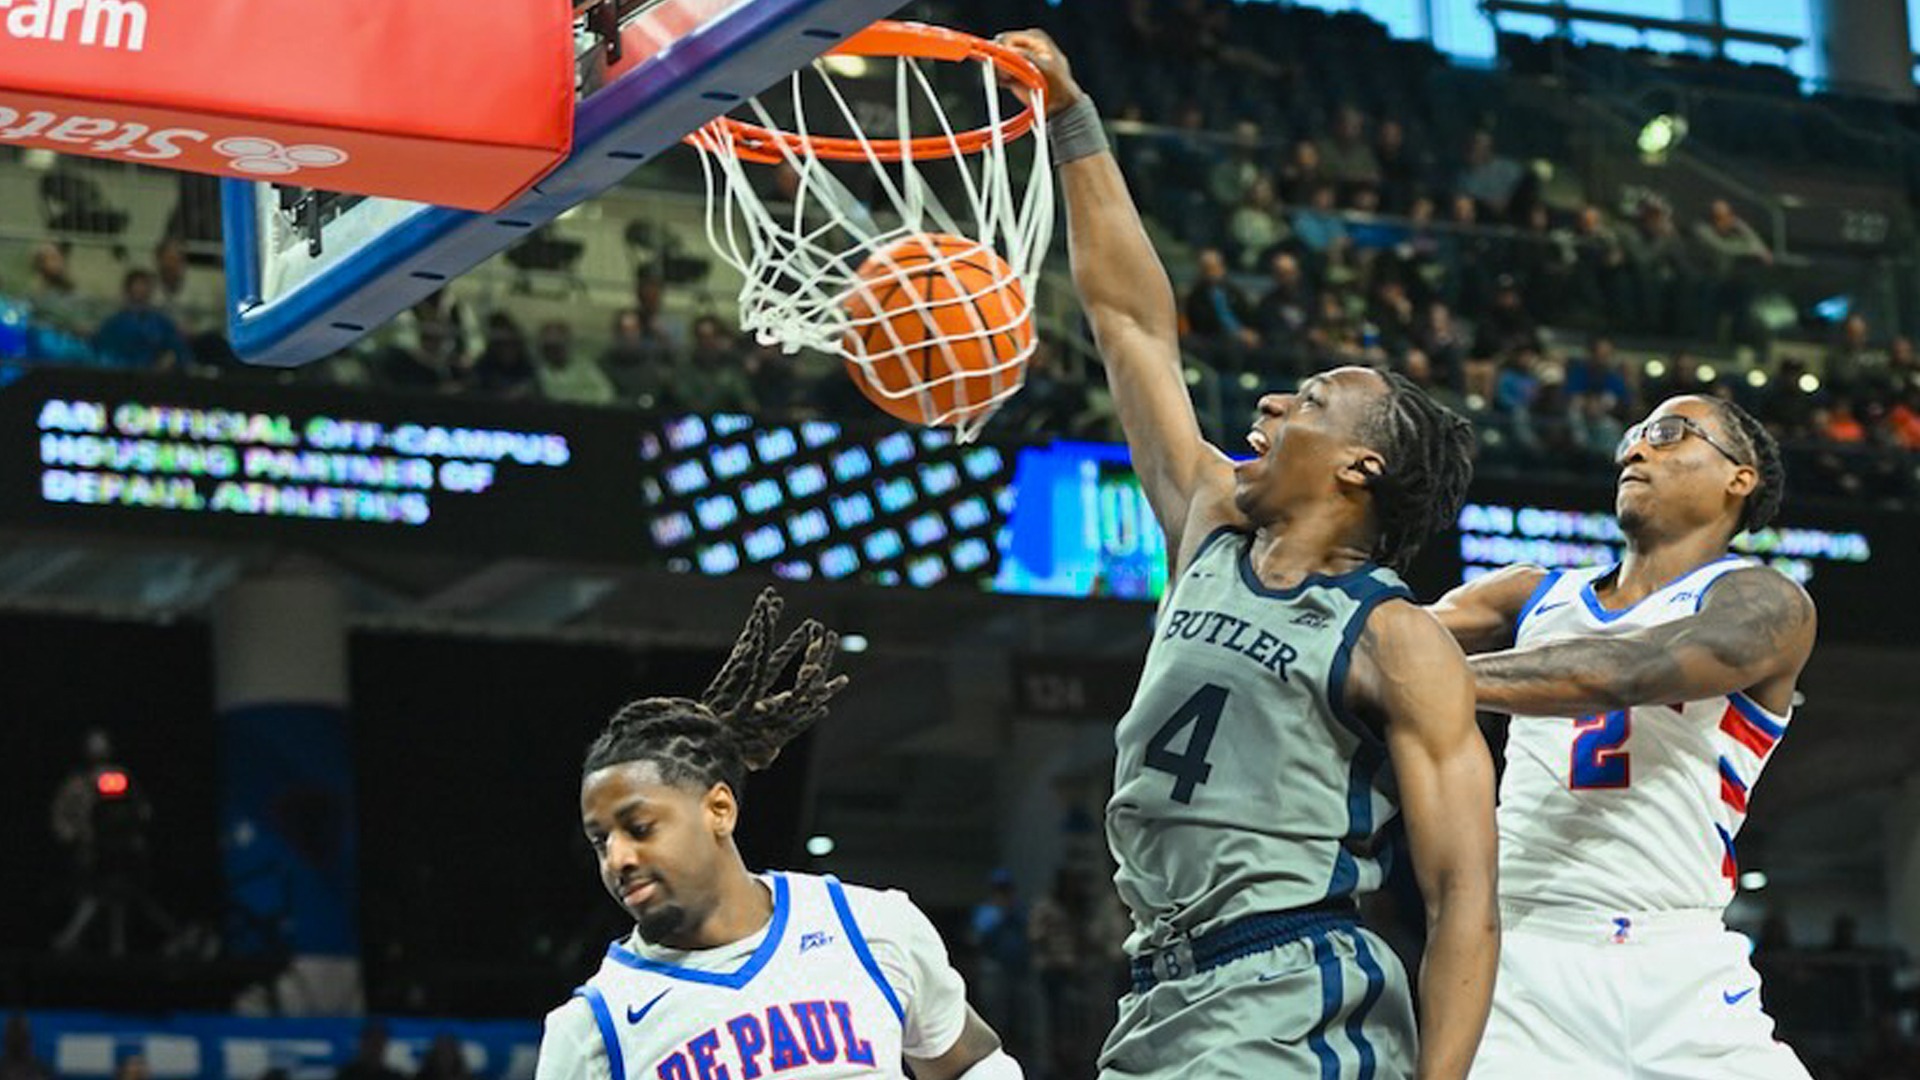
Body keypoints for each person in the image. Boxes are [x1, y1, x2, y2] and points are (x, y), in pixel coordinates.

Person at [1001, 29, 1497, 1080]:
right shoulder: (1211, 526)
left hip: (1289, 989)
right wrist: (1071, 116)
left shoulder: (1397, 637)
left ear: (1361, 466)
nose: (1273, 402)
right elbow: (1132, 324)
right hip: (1157, 988)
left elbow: (1463, 904)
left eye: (1309, 400)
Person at [1430, 395, 1817, 1078]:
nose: (1633, 450)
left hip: (1678, 958)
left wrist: (1431, 681)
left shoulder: (1766, 602)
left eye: (1669, 435)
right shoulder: (1531, 594)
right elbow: (1382, 641)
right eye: (1633, 437)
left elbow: (1632, 670)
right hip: (1523, 951)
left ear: (1741, 476)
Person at [535, 589, 1022, 1080]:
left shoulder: (867, 924)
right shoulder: (591, 1030)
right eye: (601, 841)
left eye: (640, 829)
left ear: (719, 810)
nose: (618, 858)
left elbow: (974, 1063)